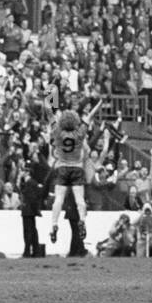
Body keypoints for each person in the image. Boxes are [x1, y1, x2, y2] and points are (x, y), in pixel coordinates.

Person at [47, 102, 100, 245]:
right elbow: (90, 116)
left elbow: (50, 114)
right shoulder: (80, 133)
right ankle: (82, 221)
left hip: (63, 167)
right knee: (79, 200)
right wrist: (99, 103)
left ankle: (54, 225)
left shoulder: (57, 132)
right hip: (77, 168)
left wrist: (49, 100)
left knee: (59, 199)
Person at [19, 170, 45, 258]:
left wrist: (34, 209)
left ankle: (27, 252)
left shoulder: (30, 183)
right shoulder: (31, 183)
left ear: (26, 172)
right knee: (33, 231)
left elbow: (32, 198)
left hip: (28, 211)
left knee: (28, 232)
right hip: (31, 211)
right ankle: (35, 250)